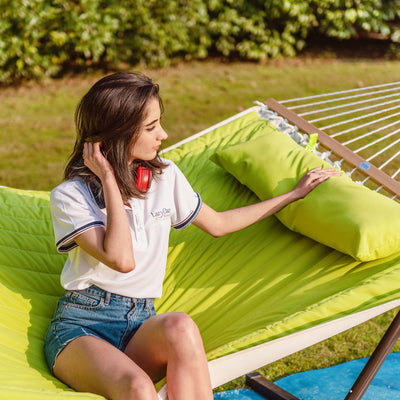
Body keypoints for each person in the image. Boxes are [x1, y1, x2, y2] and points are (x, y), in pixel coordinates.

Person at [44, 72, 340, 400]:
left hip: (141, 321)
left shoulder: (164, 176)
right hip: (85, 327)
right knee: (139, 389)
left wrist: (292, 195)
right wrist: (110, 180)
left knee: (181, 326)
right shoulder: (71, 196)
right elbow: (121, 260)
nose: (164, 134)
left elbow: (218, 224)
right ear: (119, 132)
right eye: (151, 127)